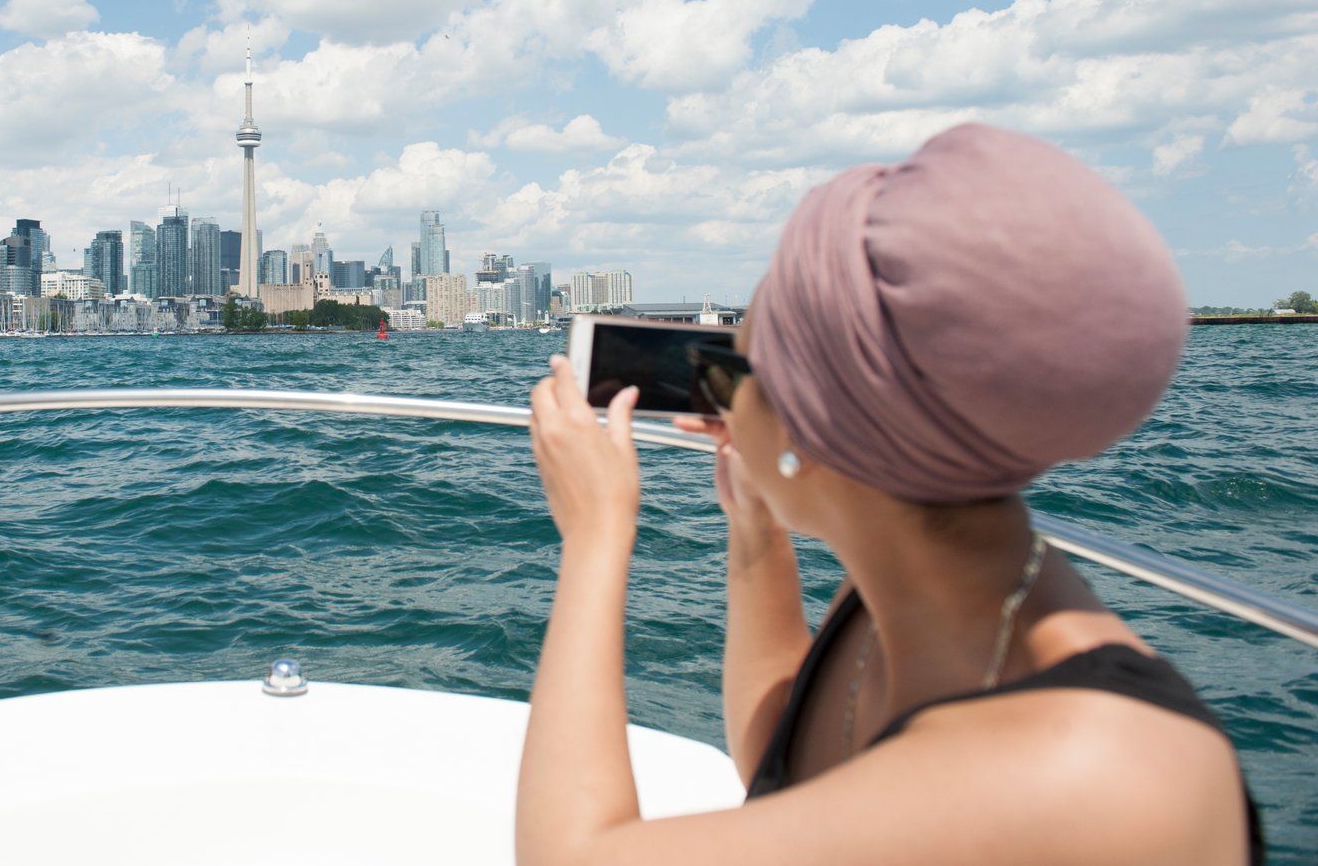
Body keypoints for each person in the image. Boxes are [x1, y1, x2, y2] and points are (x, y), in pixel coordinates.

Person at [517, 124, 1260, 865]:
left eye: (735, 374)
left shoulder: (1100, 773)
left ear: (816, 431)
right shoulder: (901, 592)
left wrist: (595, 535)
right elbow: (780, 760)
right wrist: (755, 521)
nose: (722, 402)